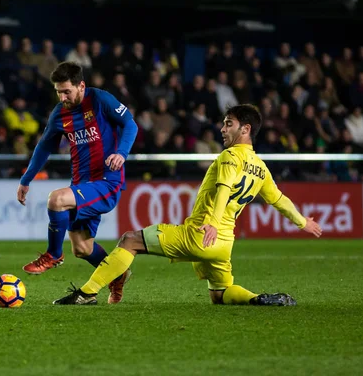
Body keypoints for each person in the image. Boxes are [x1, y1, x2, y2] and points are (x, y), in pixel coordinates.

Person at [53, 103, 323, 306]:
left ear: (246, 129)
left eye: (228, 123)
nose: (222, 128)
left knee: (129, 240)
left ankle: (86, 294)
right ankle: (256, 299)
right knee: (219, 294)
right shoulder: (260, 168)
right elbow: (279, 200)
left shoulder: (230, 157)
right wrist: (303, 222)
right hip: (224, 245)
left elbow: (224, 189)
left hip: (202, 234)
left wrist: (212, 225)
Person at [18, 61, 138, 304]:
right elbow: (44, 147)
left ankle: (53, 255)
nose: (62, 97)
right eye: (58, 92)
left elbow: (130, 124)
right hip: (82, 184)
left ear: (81, 86)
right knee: (82, 248)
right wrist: (26, 179)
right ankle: (118, 274)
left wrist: (121, 153)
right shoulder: (60, 113)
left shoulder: (100, 100)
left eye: (67, 91)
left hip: (107, 181)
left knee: (56, 199)